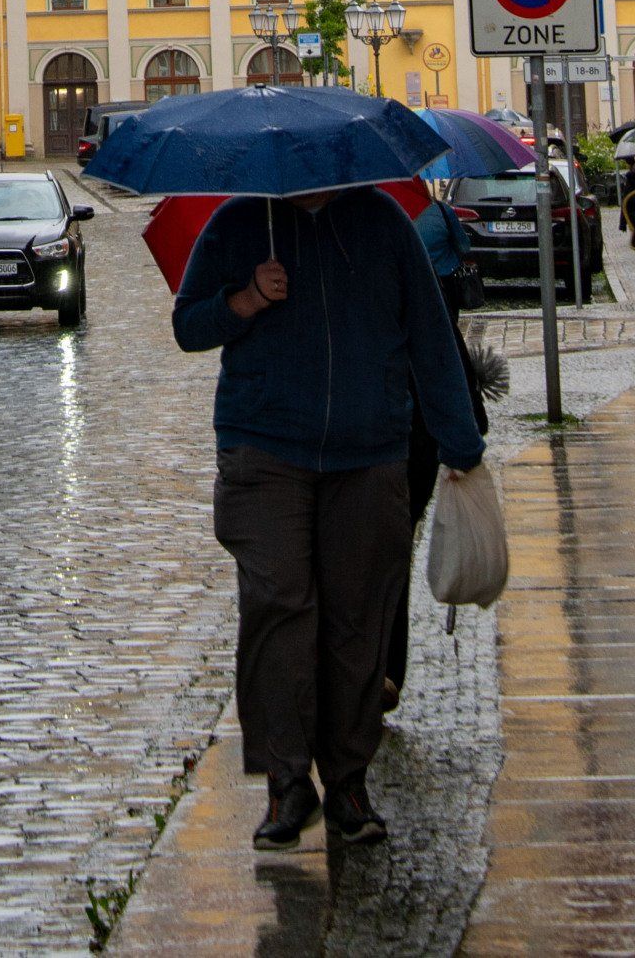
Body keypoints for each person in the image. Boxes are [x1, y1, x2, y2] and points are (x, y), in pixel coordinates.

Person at [174, 186, 485, 852]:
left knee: (358, 619)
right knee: (277, 606)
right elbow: (188, 326)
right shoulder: (238, 223)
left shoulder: (383, 224)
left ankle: (348, 781)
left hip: (369, 452)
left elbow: (431, 336)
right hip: (263, 449)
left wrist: (460, 441)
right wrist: (245, 299)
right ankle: (287, 782)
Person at [384, 196, 490, 706]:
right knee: (388, 552)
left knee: (388, 550)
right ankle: (376, 671)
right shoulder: (423, 218)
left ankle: (380, 672)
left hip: (405, 434)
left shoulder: (391, 236)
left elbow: (436, 349)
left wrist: (461, 441)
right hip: (389, 431)